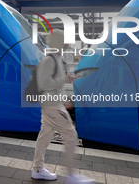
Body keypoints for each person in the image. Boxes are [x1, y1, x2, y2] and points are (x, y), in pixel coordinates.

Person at [31, 29, 94, 184]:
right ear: (58, 42)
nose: (67, 44)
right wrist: (65, 79)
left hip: (52, 103)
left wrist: (64, 94)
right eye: (64, 40)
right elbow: (44, 83)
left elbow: (54, 85)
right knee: (71, 135)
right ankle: (71, 176)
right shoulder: (50, 60)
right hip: (51, 105)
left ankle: (37, 169)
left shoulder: (56, 58)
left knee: (44, 137)